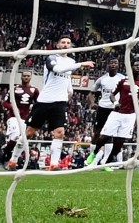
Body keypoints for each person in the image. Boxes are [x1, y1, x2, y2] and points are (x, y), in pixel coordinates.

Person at [22, 35, 95, 170]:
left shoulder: (71, 61)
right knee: (29, 132)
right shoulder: (51, 58)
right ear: (58, 45)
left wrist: (69, 92)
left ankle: (54, 164)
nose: (66, 45)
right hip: (45, 100)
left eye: (68, 43)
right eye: (63, 42)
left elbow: (66, 78)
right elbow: (58, 70)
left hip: (60, 102)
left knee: (60, 132)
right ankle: (13, 159)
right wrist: (81, 64)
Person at [92, 60, 139, 169]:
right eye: (136, 65)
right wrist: (115, 103)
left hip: (130, 115)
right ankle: (94, 153)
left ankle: (108, 163)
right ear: (131, 67)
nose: (138, 67)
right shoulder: (123, 80)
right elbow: (112, 94)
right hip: (117, 112)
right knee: (104, 136)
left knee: (120, 140)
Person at [86, 58, 125, 166]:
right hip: (102, 108)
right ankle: (91, 157)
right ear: (108, 64)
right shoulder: (102, 79)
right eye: (111, 63)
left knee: (110, 135)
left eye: (115, 63)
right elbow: (91, 93)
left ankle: (106, 162)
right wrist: (92, 103)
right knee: (97, 133)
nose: (113, 65)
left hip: (115, 109)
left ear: (118, 65)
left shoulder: (122, 78)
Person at [1, 70, 39, 166]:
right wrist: (13, 107)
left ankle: (11, 158)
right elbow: (5, 102)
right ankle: (6, 154)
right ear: (21, 77)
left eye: (28, 76)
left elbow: (38, 103)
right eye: (24, 76)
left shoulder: (34, 90)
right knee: (16, 134)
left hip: (25, 118)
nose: (26, 77)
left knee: (22, 139)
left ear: (30, 77)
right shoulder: (14, 88)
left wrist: (34, 111)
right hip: (13, 116)